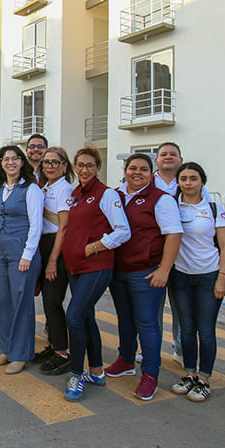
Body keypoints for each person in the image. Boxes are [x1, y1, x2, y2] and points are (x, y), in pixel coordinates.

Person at [105, 154, 183, 401]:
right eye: (133, 168)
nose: (137, 173)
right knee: (125, 320)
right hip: (119, 271)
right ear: (125, 171)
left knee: (147, 324)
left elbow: (174, 235)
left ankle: (150, 374)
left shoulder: (162, 199)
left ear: (152, 173)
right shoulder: (115, 195)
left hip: (146, 272)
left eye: (144, 169)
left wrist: (164, 269)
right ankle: (126, 359)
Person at [62, 146, 130, 401]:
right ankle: (97, 372)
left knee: (74, 316)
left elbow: (123, 231)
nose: (84, 170)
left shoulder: (106, 194)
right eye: (80, 165)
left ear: (98, 167)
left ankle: (76, 374)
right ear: (74, 167)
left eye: (90, 165)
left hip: (96, 266)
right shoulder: (75, 194)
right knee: (86, 318)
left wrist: (97, 246)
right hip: (75, 267)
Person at [168, 162, 225, 401]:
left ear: (202, 181)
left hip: (209, 275)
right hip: (180, 276)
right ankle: (190, 374)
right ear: (178, 182)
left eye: (193, 178)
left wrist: (222, 277)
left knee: (205, 329)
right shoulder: (172, 207)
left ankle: (204, 379)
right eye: (183, 178)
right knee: (186, 328)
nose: (188, 183)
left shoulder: (214, 208)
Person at [0, 146, 43, 375]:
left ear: (22, 162)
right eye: (5, 159)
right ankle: (8, 348)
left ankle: (21, 354)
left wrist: (28, 255)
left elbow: (36, 224)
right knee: (1, 300)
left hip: (21, 249)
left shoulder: (31, 189)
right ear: (1, 163)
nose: (10, 162)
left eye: (14, 158)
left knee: (21, 302)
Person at [34, 147, 75, 376]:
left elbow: (64, 227)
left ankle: (62, 352)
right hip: (43, 244)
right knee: (47, 301)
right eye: (46, 162)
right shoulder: (46, 187)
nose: (50, 166)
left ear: (64, 166)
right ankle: (53, 344)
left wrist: (53, 260)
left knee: (53, 300)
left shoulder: (64, 189)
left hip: (56, 248)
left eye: (55, 162)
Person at [152, 141, 186, 365]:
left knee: (181, 306)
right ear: (156, 161)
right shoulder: (146, 182)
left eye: (173, 154)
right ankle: (150, 348)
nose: (168, 157)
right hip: (153, 253)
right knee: (151, 307)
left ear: (181, 160)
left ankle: (181, 348)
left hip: (182, 255)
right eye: (163, 154)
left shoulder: (188, 182)